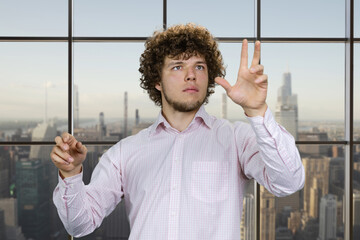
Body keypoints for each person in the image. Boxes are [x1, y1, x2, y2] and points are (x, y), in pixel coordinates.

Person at [51, 23, 305, 239]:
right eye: (177, 67)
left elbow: (288, 182)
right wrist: (71, 174)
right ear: (157, 81)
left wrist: (258, 110)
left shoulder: (236, 138)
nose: (191, 75)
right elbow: (80, 224)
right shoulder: (125, 152)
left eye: (199, 67)